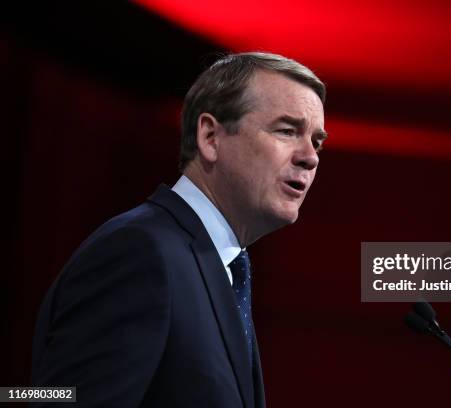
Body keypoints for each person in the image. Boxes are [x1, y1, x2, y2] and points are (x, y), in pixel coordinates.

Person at [31, 52, 327, 407]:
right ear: (210, 137)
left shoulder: (220, 267)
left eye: (317, 141)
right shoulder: (140, 252)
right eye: (286, 130)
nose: (310, 157)